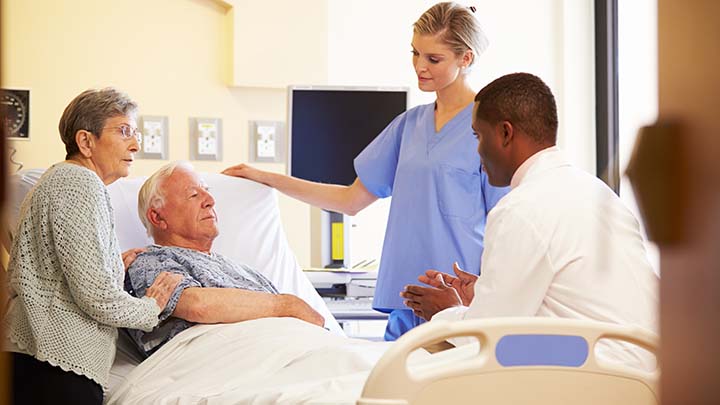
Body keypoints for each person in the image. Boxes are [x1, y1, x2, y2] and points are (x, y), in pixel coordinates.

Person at [223, 2, 508, 341]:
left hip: (459, 299)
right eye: (415, 53)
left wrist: (488, 293)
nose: (420, 66)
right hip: (407, 293)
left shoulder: (488, 128)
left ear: (466, 59)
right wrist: (267, 178)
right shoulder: (408, 126)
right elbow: (351, 199)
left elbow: (504, 224)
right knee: (394, 391)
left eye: (433, 59)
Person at [401, 73, 659, 368]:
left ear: (505, 134)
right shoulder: (598, 193)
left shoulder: (518, 209)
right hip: (650, 372)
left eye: (478, 136)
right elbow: (569, 296)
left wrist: (445, 311)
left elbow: (485, 338)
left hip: (598, 381)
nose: (477, 151)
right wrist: (485, 292)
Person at [3, 88, 183, 405]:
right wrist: (151, 307)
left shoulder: (59, 181)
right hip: (54, 366)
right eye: (124, 131)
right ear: (86, 142)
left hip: (36, 358)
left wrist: (113, 264)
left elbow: (61, 271)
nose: (136, 145)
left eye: (136, 133)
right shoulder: (80, 182)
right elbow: (97, 297)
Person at [124, 162, 325, 356]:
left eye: (206, 190)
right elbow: (197, 305)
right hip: (231, 359)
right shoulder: (150, 261)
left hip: (292, 347)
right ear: (158, 218)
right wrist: (285, 305)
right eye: (193, 195)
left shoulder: (246, 271)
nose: (210, 200)